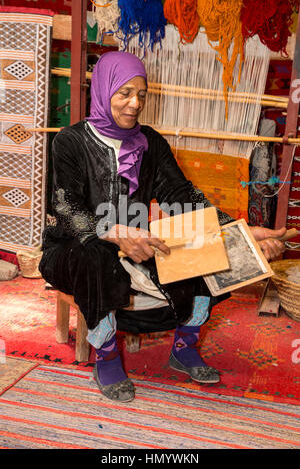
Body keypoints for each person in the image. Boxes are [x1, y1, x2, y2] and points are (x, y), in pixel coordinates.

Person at [39, 51, 286, 403]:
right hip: (74, 248)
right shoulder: (71, 141)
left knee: (206, 246)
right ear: (103, 89)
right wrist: (115, 232)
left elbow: (182, 198)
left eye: (142, 94)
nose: (135, 103)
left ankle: (184, 347)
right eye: (124, 93)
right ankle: (107, 356)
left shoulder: (150, 143)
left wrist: (240, 232)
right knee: (96, 257)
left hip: (139, 243)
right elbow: (64, 207)